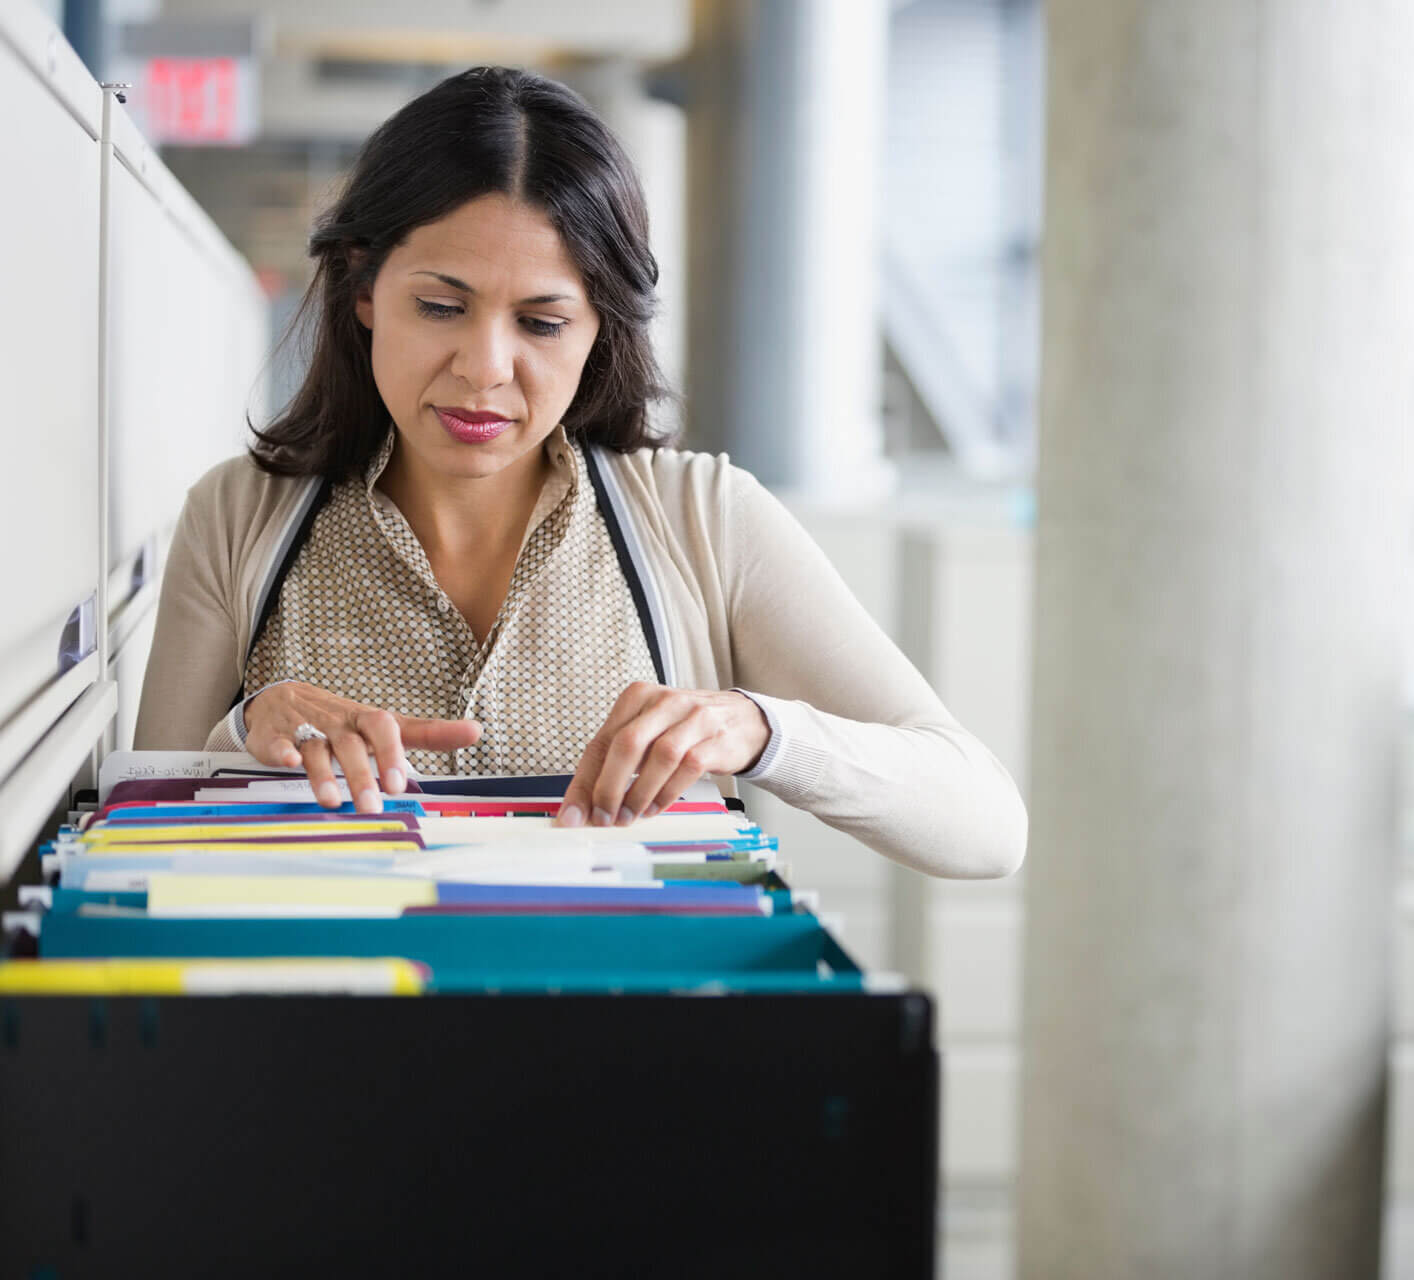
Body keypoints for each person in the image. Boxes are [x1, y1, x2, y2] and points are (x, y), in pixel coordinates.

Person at [134, 66, 1026, 879]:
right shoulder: (237, 518)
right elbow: (139, 840)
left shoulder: (702, 520)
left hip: (630, 1049)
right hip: (326, 1041)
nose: (485, 367)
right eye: (441, 306)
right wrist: (245, 737)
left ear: (604, 327)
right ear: (363, 290)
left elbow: (986, 825)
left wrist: (758, 730)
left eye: (543, 323)